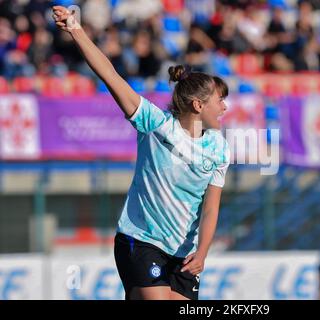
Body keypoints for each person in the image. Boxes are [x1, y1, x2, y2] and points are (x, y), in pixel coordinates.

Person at [52, 6, 230, 301]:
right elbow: (109, 73)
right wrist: (75, 29)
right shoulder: (155, 123)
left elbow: (211, 207)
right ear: (198, 106)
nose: (224, 107)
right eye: (219, 101)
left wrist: (203, 252)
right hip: (141, 240)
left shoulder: (219, 147)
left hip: (183, 253)